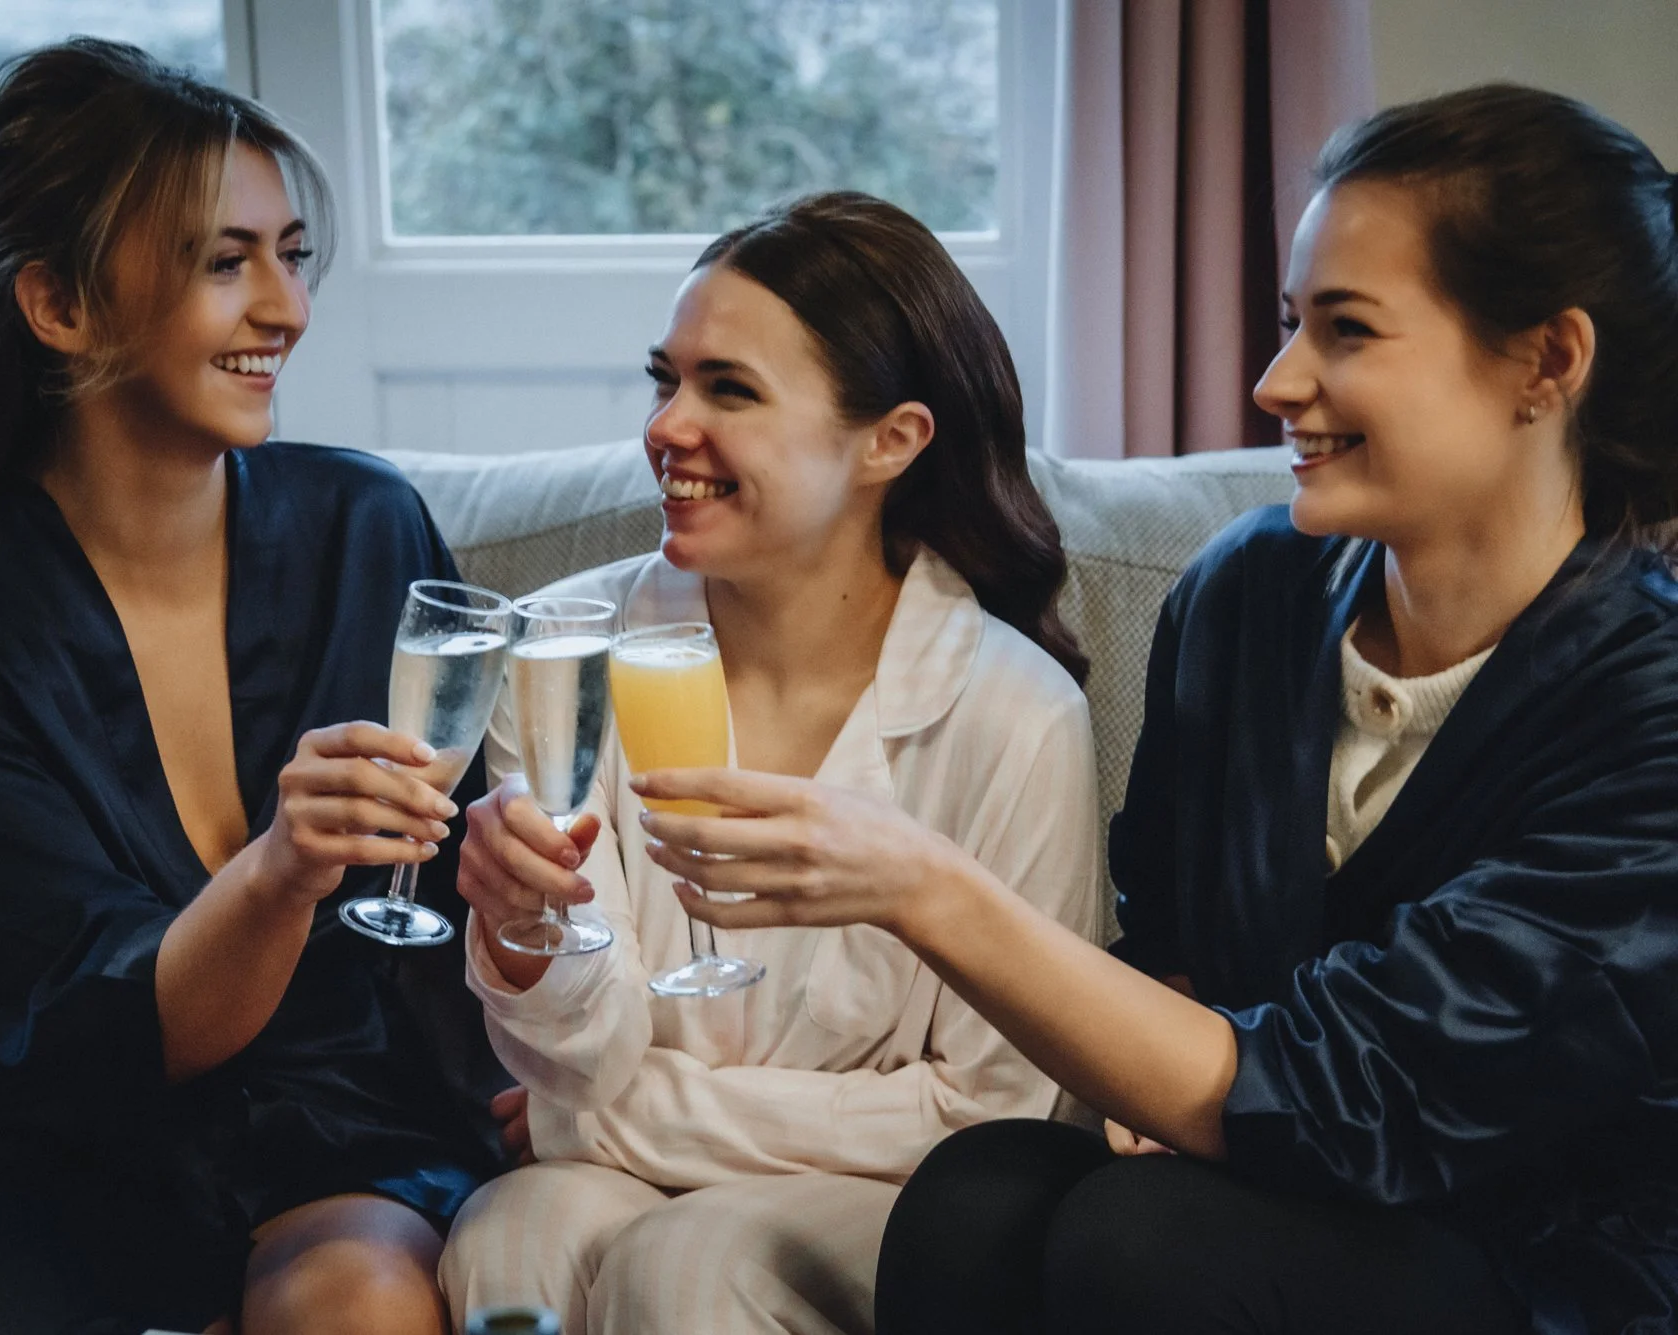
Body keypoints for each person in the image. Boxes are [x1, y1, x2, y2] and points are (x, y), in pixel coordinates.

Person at [641, 86, 1678, 1334]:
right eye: (1289, 323)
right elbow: (1173, 938)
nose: (1273, 380)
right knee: (976, 1196)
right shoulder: (1246, 596)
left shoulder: (1649, 706)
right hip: (1276, 1184)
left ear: (1544, 362)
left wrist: (921, 883)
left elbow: (1361, 1094)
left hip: (1532, 1260)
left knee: (1145, 1241)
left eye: (1344, 331)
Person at [0, 39, 508, 1335]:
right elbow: (110, 1036)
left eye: (292, 253)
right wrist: (282, 866)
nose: (286, 309)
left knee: (364, 1295)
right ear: (59, 306)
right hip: (44, 1161)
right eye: (222, 259)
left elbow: (462, 888)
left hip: (329, 1120)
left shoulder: (369, 525)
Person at [436, 192, 1107, 1335]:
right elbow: (581, 1057)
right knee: (512, 1236)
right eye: (666, 380)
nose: (666, 427)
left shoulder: (1014, 715)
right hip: (620, 1159)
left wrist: (592, 1120)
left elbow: (991, 1110)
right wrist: (519, 937)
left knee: (687, 1264)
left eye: (728, 390)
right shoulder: (559, 654)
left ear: (888, 440)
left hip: (900, 1203)